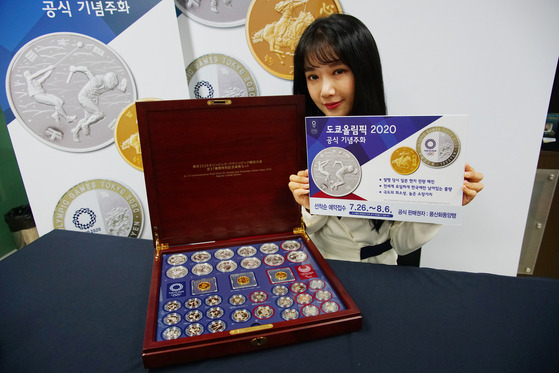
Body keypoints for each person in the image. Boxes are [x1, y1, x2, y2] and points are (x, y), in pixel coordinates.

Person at [288, 14, 484, 265]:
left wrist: (446, 199)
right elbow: (294, 234)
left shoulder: (396, 145)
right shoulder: (296, 143)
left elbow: (402, 244)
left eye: (338, 71)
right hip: (319, 270)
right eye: (313, 76)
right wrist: (311, 205)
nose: (326, 90)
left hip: (381, 271)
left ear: (363, 71)